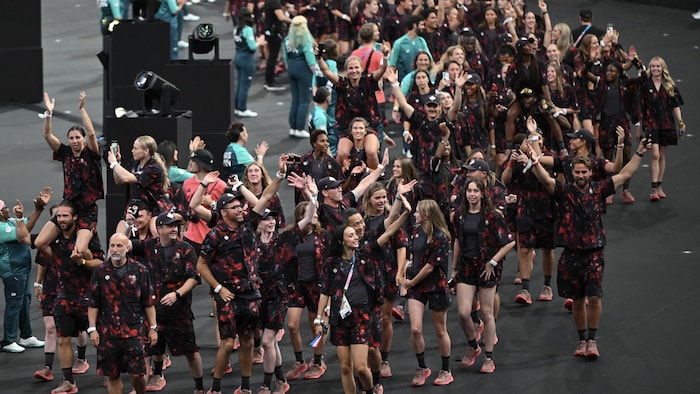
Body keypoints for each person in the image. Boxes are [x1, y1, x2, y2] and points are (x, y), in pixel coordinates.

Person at [527, 120, 652, 359]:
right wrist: (532, 150)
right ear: (572, 174)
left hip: (595, 251)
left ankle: (592, 341)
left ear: (589, 173)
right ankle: (581, 339)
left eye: (584, 172)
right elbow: (544, 178)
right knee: (577, 300)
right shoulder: (564, 192)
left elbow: (625, 172)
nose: (581, 175)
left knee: (595, 297)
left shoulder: (600, 188)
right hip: (571, 253)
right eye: (577, 173)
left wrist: (638, 152)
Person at [198, 155, 289, 394]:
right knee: (227, 344)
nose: (241, 209)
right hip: (227, 295)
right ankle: (216, 388)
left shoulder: (249, 225)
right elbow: (201, 265)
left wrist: (279, 174)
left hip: (251, 294)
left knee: (248, 342)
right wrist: (218, 288)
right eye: (236, 207)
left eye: (241, 206)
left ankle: (246, 387)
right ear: (223, 212)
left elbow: (266, 196)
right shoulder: (215, 235)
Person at [314, 193, 411, 394]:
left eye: (356, 234)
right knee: (345, 367)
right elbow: (325, 291)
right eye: (351, 234)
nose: (356, 236)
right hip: (340, 319)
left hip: (362, 316)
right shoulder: (331, 264)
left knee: (360, 366)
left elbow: (389, 230)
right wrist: (318, 318)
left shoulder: (366, 253)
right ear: (341, 240)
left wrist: (406, 213)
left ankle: (370, 388)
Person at [34, 200, 104, 394]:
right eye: (58, 216)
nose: (61, 219)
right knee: (63, 339)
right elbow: (34, 242)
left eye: (65, 216)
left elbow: (100, 263)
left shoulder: (86, 236)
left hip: (89, 296)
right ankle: (68, 382)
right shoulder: (53, 240)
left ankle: (109, 373)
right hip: (64, 296)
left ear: (75, 217)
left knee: (102, 338)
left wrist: (83, 260)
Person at [129, 212, 204, 393]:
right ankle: (143, 386)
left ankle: (199, 388)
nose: (173, 229)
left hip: (179, 311)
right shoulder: (148, 246)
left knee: (191, 352)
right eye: (169, 226)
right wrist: (127, 224)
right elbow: (122, 244)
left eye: (175, 226)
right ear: (159, 229)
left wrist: (177, 294)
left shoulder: (185, 249)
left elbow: (194, 278)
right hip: (153, 312)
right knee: (148, 351)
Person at [452, 180, 515, 374]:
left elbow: (509, 242)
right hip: (466, 268)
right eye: (469, 191)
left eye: (475, 191)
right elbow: (457, 241)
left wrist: (493, 262)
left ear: (482, 193)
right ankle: (473, 345)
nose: (472, 194)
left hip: (487, 267)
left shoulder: (492, 215)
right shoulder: (460, 216)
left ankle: (489, 357)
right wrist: (454, 268)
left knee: (487, 313)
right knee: (463, 313)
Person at [35, 91, 103, 267]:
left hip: (87, 209)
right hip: (69, 204)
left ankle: (88, 270)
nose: (74, 141)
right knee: (39, 242)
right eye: (71, 138)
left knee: (80, 250)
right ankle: (60, 266)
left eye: (78, 138)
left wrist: (82, 110)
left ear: (83, 140)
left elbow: (92, 134)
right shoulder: (64, 153)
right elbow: (47, 136)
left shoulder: (91, 154)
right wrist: (48, 115)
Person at [87, 233, 158, 394]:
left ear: (127, 248)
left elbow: (148, 302)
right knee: (112, 376)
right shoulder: (99, 271)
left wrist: (153, 328)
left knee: (137, 375)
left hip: (134, 331)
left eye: (119, 246)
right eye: (112, 245)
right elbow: (93, 304)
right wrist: (92, 329)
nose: (115, 249)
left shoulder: (140, 270)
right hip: (108, 333)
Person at [405, 199, 454, 387]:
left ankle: (445, 369)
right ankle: (422, 367)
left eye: (417, 212)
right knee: (416, 329)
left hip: (435, 285)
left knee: (440, 329)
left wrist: (410, 282)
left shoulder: (440, 237)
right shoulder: (416, 232)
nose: (415, 214)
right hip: (417, 286)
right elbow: (412, 256)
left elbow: (429, 267)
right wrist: (405, 274)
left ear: (425, 214)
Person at [317, 49, 389, 168]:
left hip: (369, 127)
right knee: (341, 154)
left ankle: (375, 176)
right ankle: (339, 179)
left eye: (356, 67)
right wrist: (319, 57)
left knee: (371, 152)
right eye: (351, 68)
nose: (354, 71)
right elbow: (326, 71)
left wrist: (385, 57)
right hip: (347, 128)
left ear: (361, 68)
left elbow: (381, 69)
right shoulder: (342, 84)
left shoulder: (369, 82)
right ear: (346, 70)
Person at [1, 189, 51, 353]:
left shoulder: (9, 222)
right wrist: (24, 216)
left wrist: (38, 210)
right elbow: (23, 235)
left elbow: (26, 225)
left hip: (22, 270)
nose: (7, 209)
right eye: (4, 209)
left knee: (24, 302)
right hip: (12, 271)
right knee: (14, 304)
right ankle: (8, 340)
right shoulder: (2, 228)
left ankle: (26, 336)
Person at [639, 56, 685, 201]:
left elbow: (675, 105)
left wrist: (681, 122)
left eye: (658, 66)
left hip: (666, 124)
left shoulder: (669, 84)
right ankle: (653, 188)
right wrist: (639, 126)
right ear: (650, 68)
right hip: (651, 123)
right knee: (655, 154)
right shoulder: (645, 85)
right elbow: (641, 107)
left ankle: (659, 185)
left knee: (662, 155)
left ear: (662, 68)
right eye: (653, 66)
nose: (655, 69)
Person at [107, 135, 167, 232]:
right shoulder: (134, 164)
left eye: (135, 148)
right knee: (119, 235)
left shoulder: (154, 168)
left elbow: (127, 178)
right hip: (133, 208)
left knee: (155, 230)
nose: (132, 151)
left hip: (152, 209)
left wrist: (114, 164)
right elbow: (119, 180)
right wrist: (117, 163)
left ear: (146, 151)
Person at [184, 149, 228, 254]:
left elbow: (227, 212)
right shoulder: (187, 183)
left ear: (201, 165)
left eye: (194, 161)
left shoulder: (220, 185)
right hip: (190, 236)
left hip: (211, 236)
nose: (190, 163)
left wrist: (212, 203)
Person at [283, 16, 318, 138]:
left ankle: (293, 127)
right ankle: (299, 128)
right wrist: (316, 71)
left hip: (291, 68)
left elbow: (285, 57)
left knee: (295, 99)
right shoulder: (306, 39)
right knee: (304, 100)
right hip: (303, 69)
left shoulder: (287, 39)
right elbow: (310, 58)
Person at [234, 7, 266, 118]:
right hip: (246, 59)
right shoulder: (247, 29)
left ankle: (237, 107)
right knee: (245, 85)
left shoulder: (237, 28)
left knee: (239, 84)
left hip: (238, 56)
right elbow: (252, 47)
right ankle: (242, 108)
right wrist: (260, 42)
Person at [263, 0, 292, 91]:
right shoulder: (275, 2)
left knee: (272, 56)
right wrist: (294, 21)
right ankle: (270, 82)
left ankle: (269, 80)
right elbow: (281, 17)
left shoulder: (269, 1)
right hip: (274, 32)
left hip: (270, 31)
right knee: (273, 57)